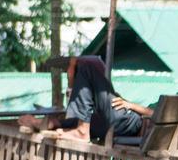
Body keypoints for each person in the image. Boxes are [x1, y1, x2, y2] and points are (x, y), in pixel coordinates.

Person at [20, 56, 151, 142]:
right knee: (87, 116)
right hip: (121, 125)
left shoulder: (168, 107)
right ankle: (53, 123)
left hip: (129, 123)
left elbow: (153, 113)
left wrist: (131, 105)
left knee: (87, 66)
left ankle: (82, 131)